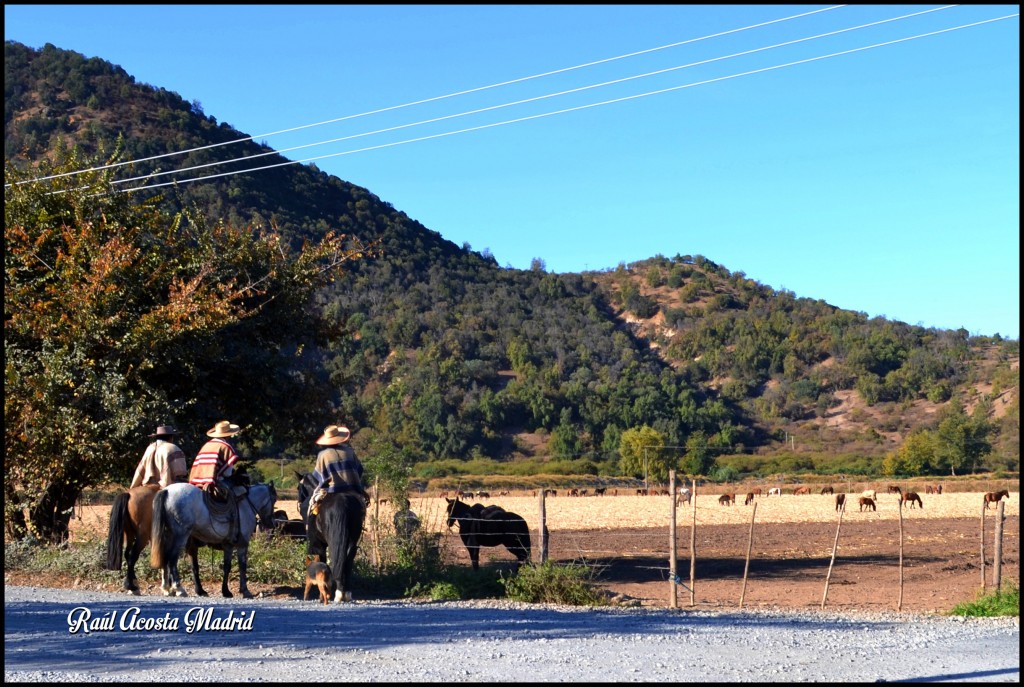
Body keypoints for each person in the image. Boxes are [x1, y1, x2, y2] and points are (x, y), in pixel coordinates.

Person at [309, 424, 368, 515]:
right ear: (339, 437)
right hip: (352, 489)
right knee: (363, 507)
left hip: (331, 491)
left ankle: (309, 527)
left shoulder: (322, 455)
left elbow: (318, 478)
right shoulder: (350, 451)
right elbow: (359, 470)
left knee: (312, 506)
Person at [189, 420, 243, 500]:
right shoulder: (226, 447)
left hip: (196, 482)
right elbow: (227, 474)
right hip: (214, 482)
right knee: (240, 491)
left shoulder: (206, 445)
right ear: (228, 435)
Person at [130, 424, 188, 489]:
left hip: (148, 486)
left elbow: (140, 470)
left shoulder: (149, 448)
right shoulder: (173, 448)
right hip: (168, 487)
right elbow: (180, 473)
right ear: (170, 438)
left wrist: (132, 487)